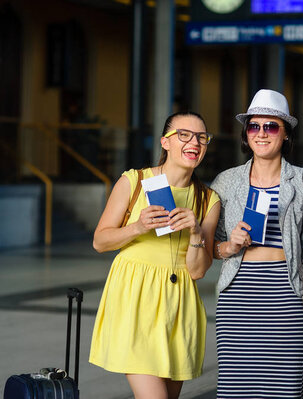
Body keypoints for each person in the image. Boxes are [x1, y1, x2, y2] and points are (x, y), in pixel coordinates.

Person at [89, 111, 221, 399]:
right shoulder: (134, 181)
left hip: (178, 304)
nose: (194, 142)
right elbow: (100, 241)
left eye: (201, 137)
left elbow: (198, 271)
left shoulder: (208, 199)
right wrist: (137, 227)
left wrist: (197, 233)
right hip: (135, 298)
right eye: (183, 135)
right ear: (165, 142)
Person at [211, 89, 303, 398]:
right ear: (246, 134)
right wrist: (230, 246)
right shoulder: (225, 182)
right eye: (254, 126)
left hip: (285, 299)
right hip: (238, 298)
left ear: (286, 134)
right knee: (235, 391)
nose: (261, 134)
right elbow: (212, 248)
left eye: (271, 126)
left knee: (283, 391)